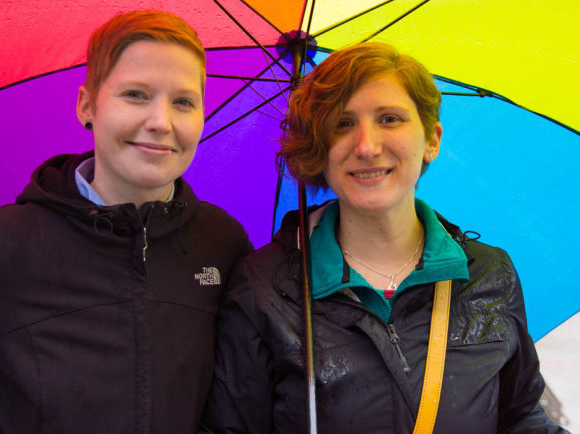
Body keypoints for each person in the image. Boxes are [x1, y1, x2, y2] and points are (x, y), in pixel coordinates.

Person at [202, 42, 564, 433]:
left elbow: (521, 416)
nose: (366, 146)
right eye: (341, 123)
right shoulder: (263, 288)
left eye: (389, 119)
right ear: (318, 147)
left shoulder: (490, 274)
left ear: (432, 139)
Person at [0, 10, 251, 433]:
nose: (160, 122)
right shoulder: (0, 248)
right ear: (87, 105)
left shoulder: (223, 243)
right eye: (136, 94)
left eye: (184, 101)